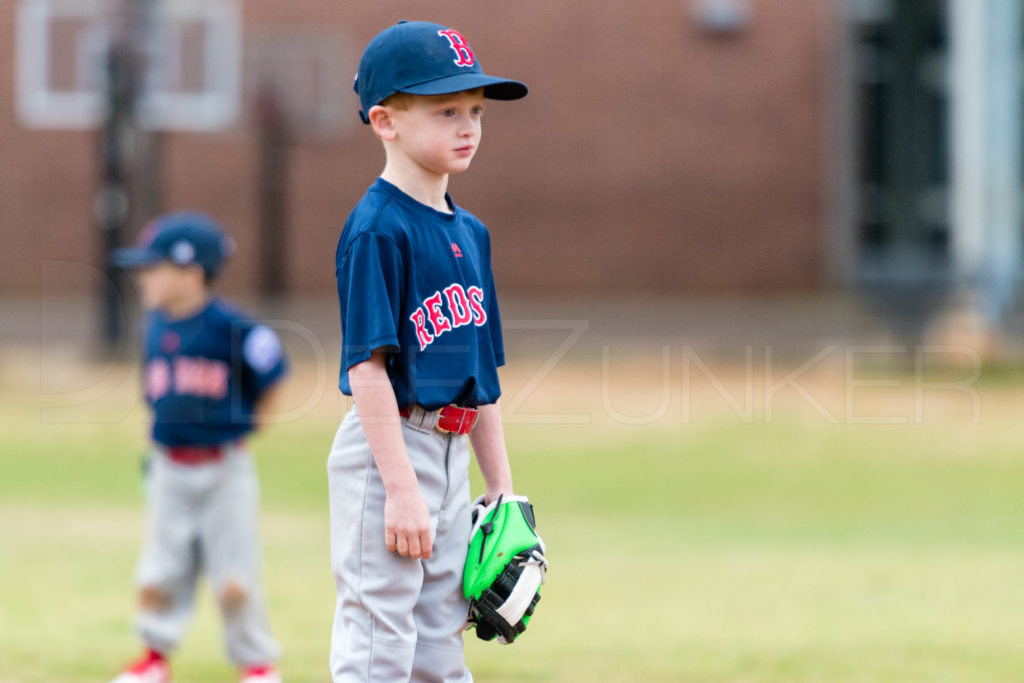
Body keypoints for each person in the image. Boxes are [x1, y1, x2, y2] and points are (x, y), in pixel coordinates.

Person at [328, 20, 528, 682]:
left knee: (442, 640)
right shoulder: (378, 228)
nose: (468, 124)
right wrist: (400, 487)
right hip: (390, 450)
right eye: (446, 110)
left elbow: (483, 378)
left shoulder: (473, 233)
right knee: (380, 634)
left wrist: (501, 491)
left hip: (452, 453)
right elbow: (367, 369)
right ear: (385, 121)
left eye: (474, 109)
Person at [109, 212, 287, 683]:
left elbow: (273, 372)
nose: (143, 277)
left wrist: (253, 422)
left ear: (190, 272)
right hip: (170, 467)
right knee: (159, 569)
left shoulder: (231, 327)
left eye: (153, 267)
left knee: (235, 575)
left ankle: (257, 664)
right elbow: (156, 391)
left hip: (224, 468)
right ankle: (153, 658)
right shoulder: (155, 325)